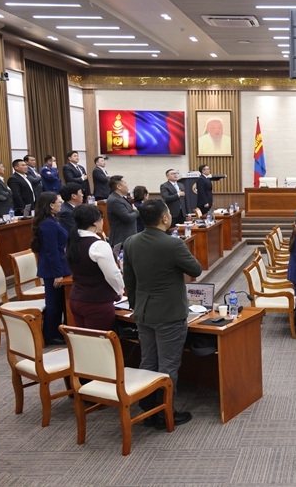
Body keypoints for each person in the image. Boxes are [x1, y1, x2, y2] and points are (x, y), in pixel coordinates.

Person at [123, 199, 202, 428]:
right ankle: (165, 413)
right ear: (165, 218)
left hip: (143, 312)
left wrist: (136, 306)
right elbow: (195, 269)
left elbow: (129, 279)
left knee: (148, 360)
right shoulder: (172, 244)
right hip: (169, 313)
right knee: (168, 365)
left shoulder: (130, 242)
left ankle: (148, 407)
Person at [66, 204, 124, 330]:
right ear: (95, 222)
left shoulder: (72, 241)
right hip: (96, 302)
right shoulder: (98, 245)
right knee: (99, 340)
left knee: (83, 339)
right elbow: (113, 275)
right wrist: (119, 291)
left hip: (76, 298)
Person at [30, 192, 70, 345]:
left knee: (60, 302)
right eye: (58, 202)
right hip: (53, 270)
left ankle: (59, 330)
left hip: (59, 267)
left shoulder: (52, 220)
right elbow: (51, 251)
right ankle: (51, 334)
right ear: (51, 205)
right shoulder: (48, 224)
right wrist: (58, 274)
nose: (61, 204)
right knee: (54, 304)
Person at [106, 175, 138, 247]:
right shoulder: (115, 200)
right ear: (119, 186)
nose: (127, 185)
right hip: (121, 239)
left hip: (128, 238)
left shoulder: (121, 198)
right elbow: (127, 217)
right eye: (125, 183)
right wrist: (136, 211)